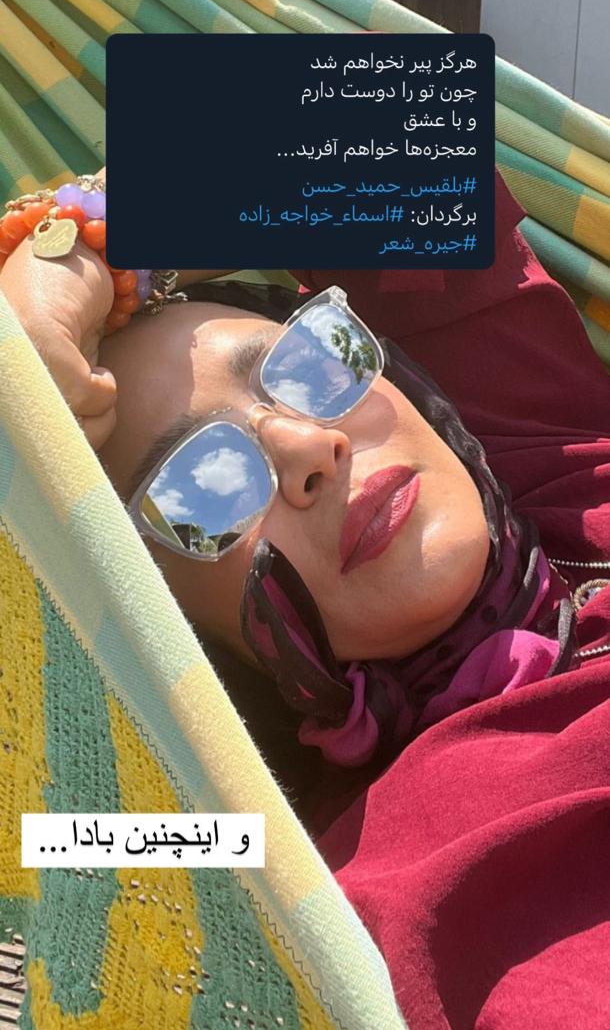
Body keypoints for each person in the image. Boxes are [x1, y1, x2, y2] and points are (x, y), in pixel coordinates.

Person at [3, 168, 610, 1028]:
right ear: (177, 626)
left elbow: (395, 131)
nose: (306, 446)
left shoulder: (564, 463)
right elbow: (51, 845)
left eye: (308, 363)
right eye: (200, 486)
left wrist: (79, 247)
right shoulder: (304, 895)